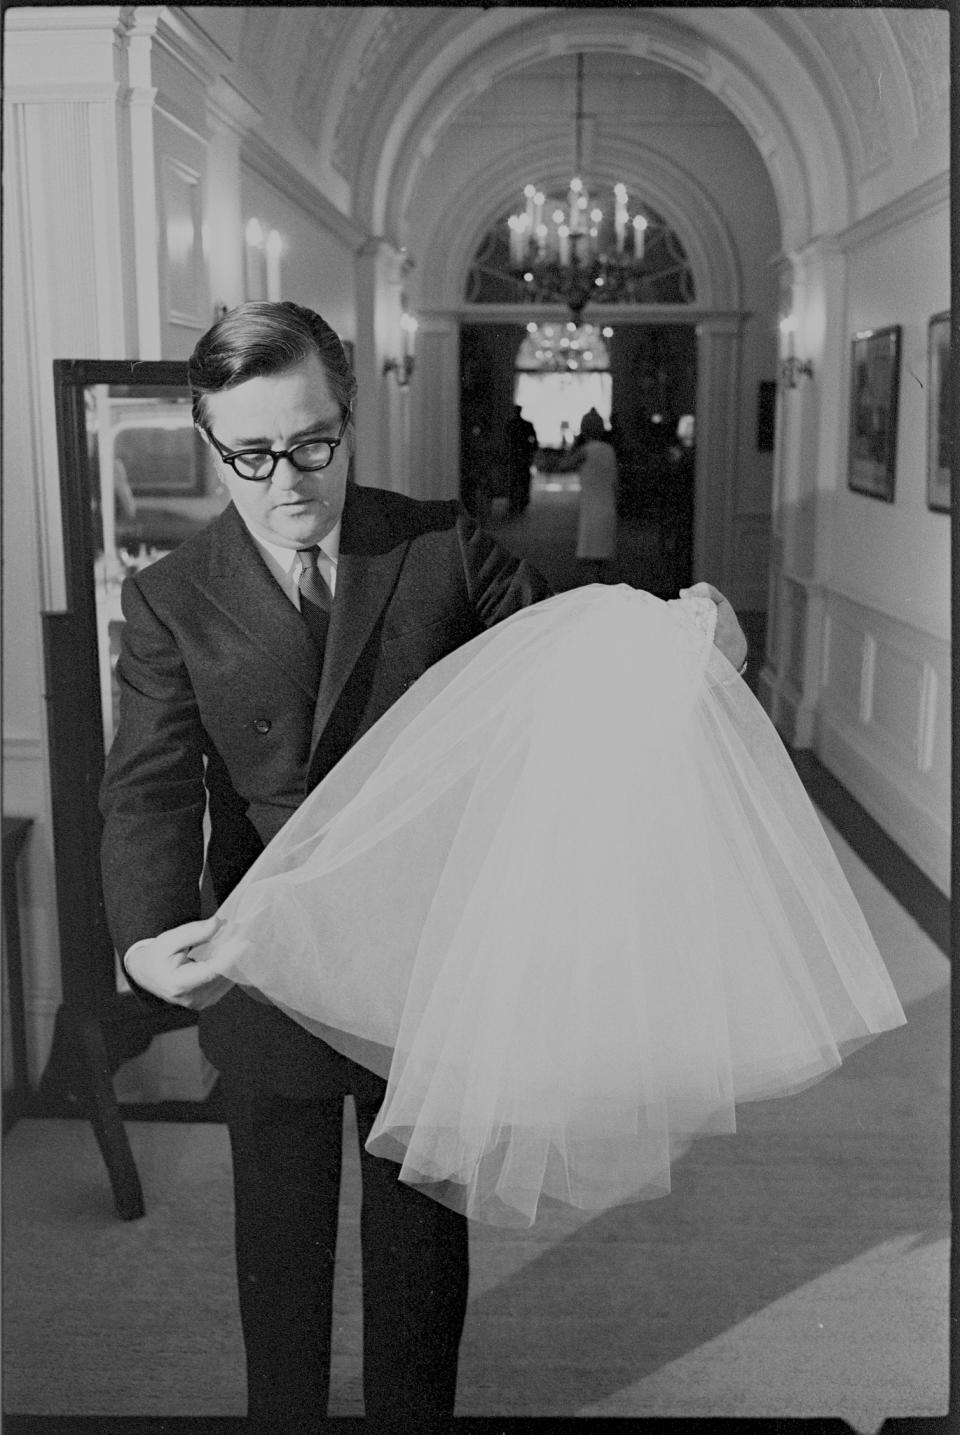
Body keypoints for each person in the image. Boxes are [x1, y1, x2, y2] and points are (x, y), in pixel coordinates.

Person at [100, 300, 748, 1427]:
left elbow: (569, 646)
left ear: (349, 416)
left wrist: (685, 647)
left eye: (311, 443)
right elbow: (149, 782)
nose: (286, 478)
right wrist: (146, 934)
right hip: (264, 962)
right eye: (249, 455)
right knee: (282, 1249)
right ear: (212, 443)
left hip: (427, 964)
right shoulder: (172, 594)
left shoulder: (437, 542)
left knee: (418, 1256)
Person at [558, 407, 619, 583]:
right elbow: (616, 483)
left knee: (589, 561)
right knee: (603, 561)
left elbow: (564, 465)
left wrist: (575, 444)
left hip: (591, 510)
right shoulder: (609, 450)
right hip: (608, 508)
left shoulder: (584, 451)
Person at [504, 403, 538, 515]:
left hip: (515, 457)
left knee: (515, 480)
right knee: (522, 480)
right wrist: (531, 451)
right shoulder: (526, 425)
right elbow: (534, 441)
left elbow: (505, 442)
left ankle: (515, 502)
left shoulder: (511, 425)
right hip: (522, 456)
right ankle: (521, 501)